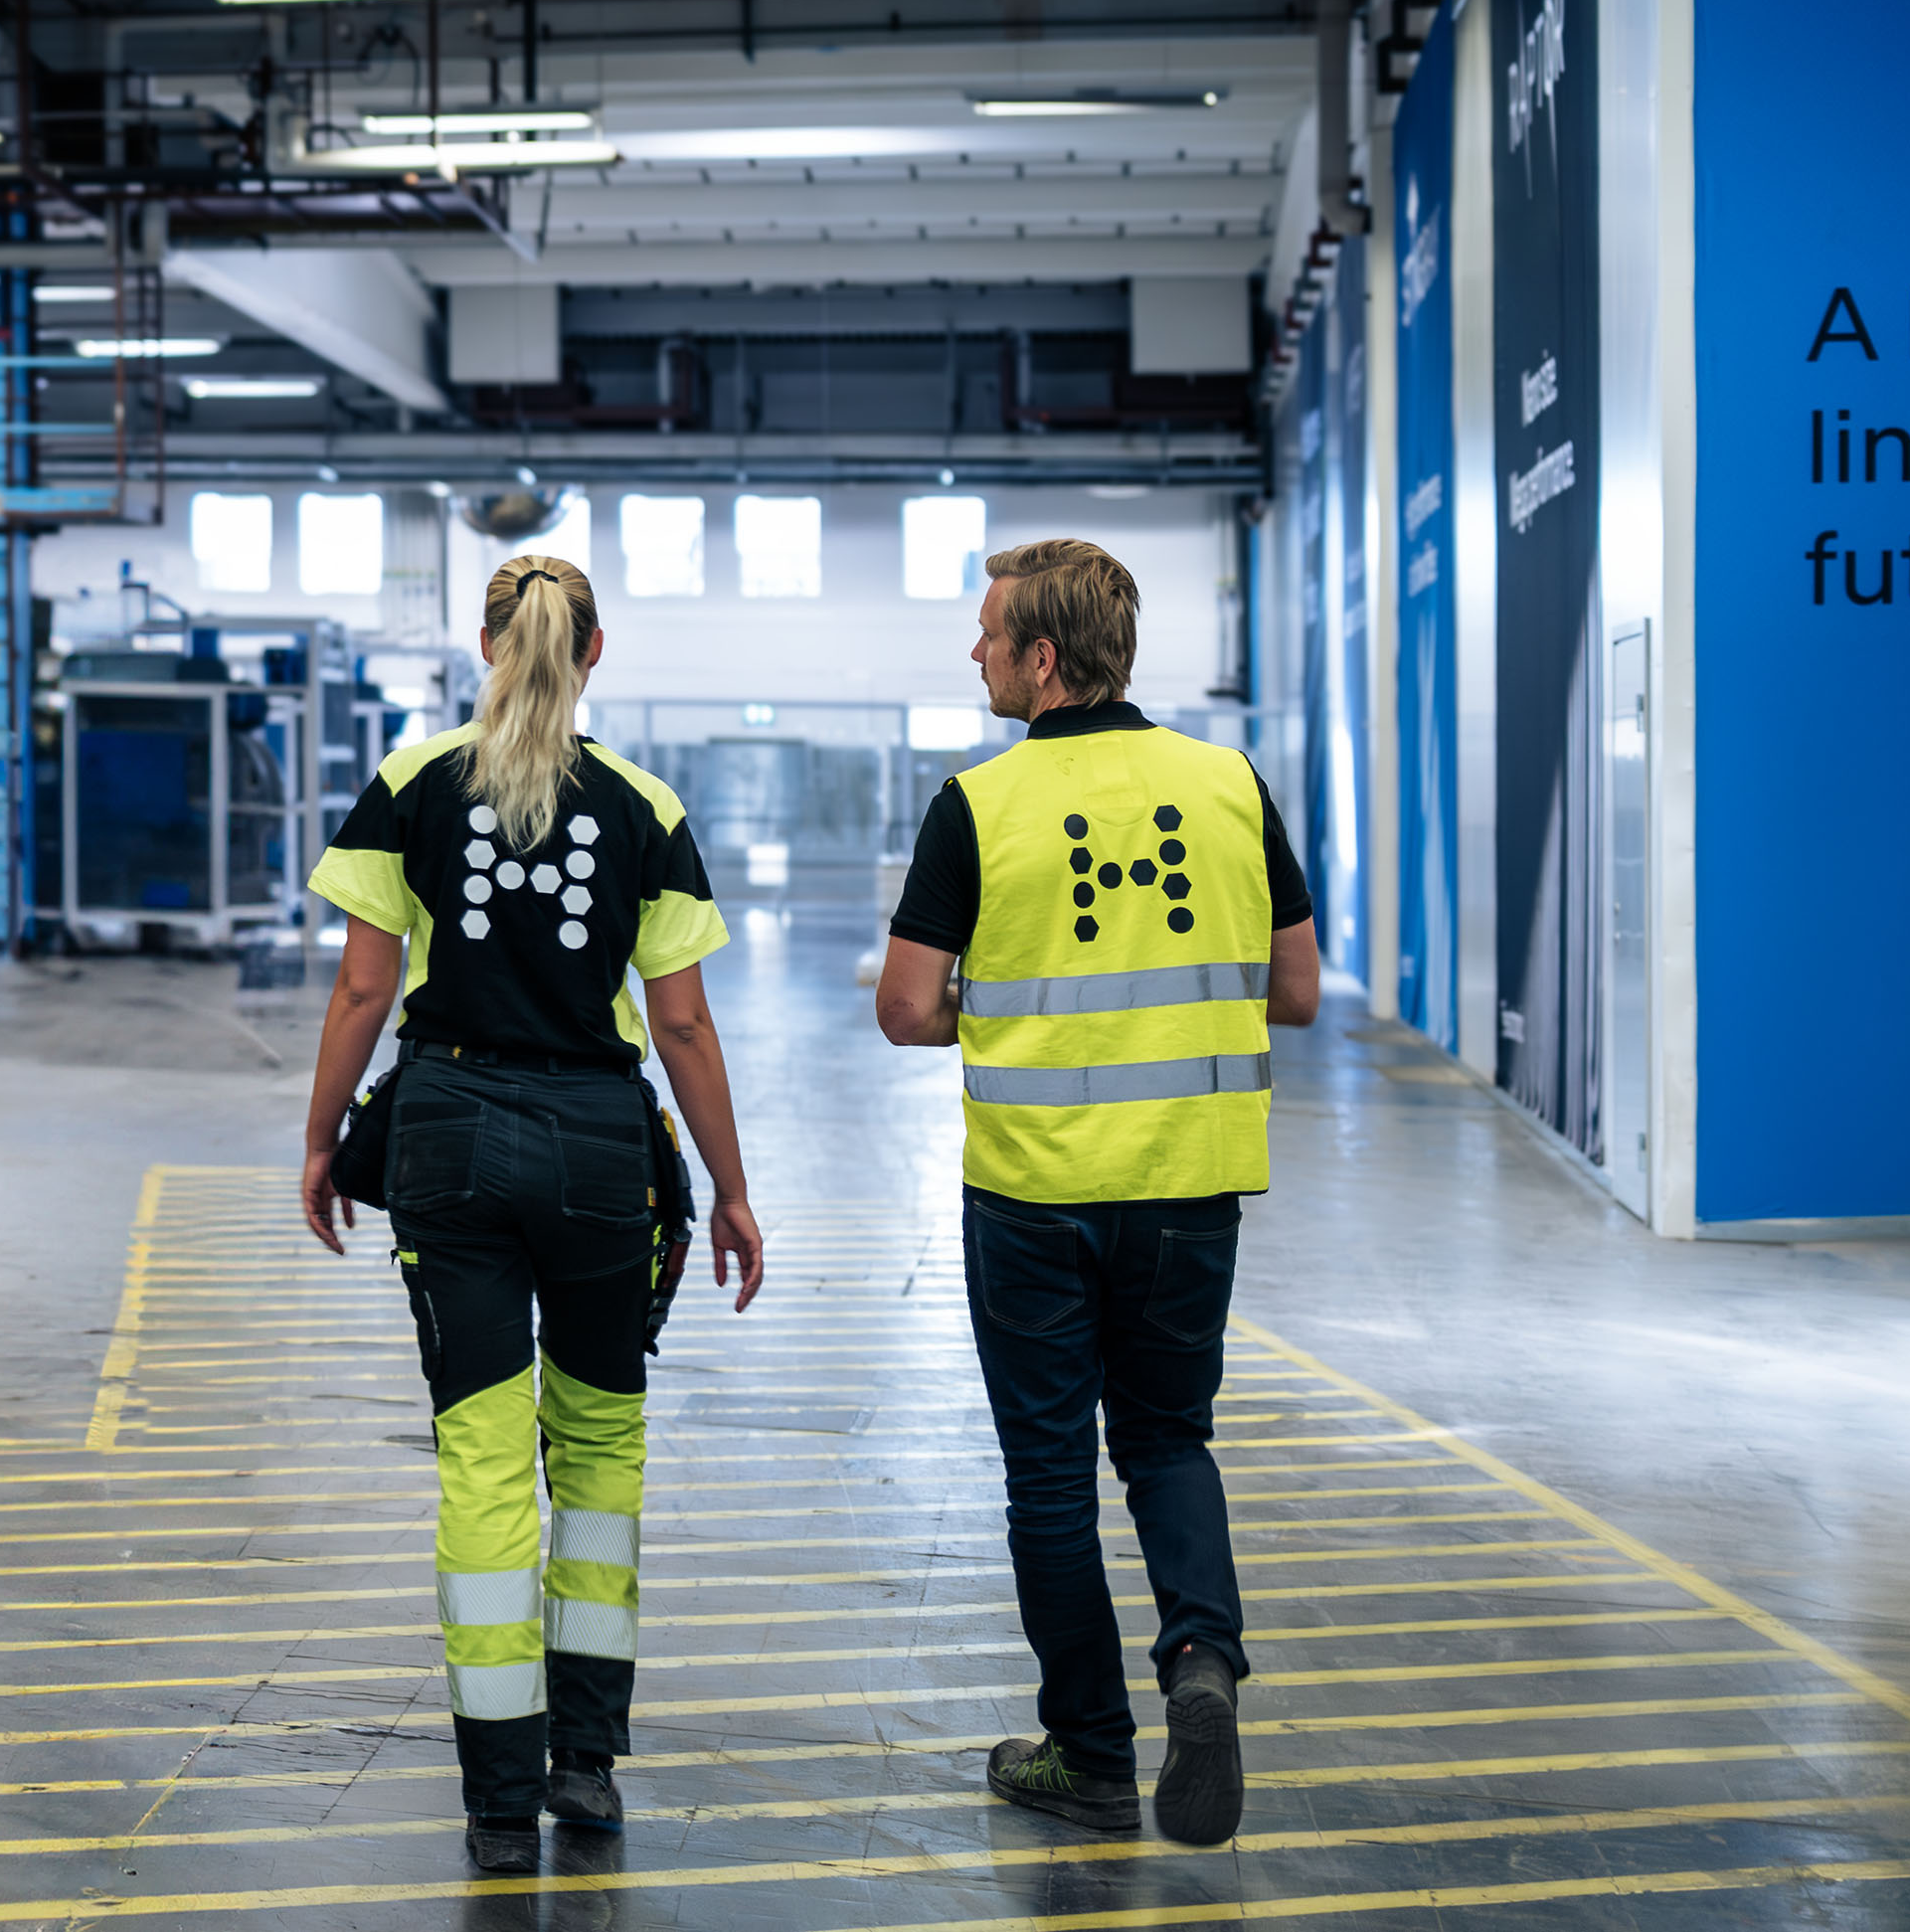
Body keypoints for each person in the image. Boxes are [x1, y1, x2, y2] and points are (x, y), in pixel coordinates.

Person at [300, 552, 765, 1874]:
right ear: (594, 650)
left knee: (485, 1463)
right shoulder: (643, 803)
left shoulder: (410, 784)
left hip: (448, 1131)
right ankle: (590, 1767)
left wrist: (324, 1137)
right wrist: (730, 1189)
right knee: (601, 1454)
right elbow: (679, 1019)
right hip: (597, 1146)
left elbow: (360, 992)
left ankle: (500, 1793)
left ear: (483, 642)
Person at [875, 538, 1319, 1846]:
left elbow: (907, 1006)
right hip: (1189, 1184)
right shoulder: (1228, 784)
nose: (974, 654)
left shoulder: (981, 803)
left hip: (1034, 1195)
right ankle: (1202, 1663)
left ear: (1044, 659)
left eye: (988, 634)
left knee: (1052, 1477)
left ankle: (1088, 1752)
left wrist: (1008, 1007)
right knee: (1169, 1440)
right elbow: (1293, 989)